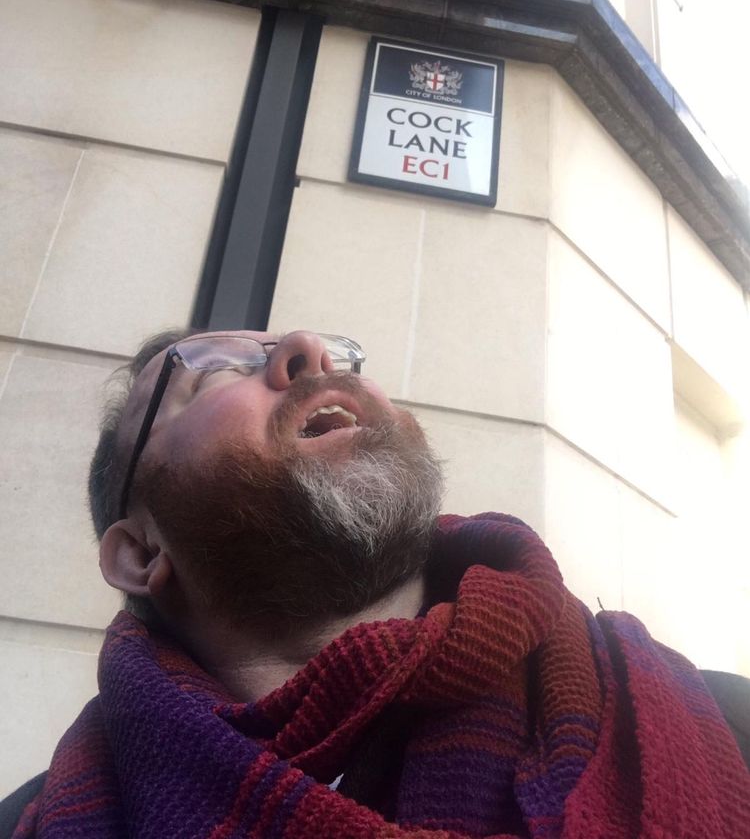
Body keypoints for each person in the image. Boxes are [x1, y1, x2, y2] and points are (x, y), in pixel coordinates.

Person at [2, 327, 750, 839]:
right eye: (211, 373)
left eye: (339, 355)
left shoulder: (727, 725)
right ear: (139, 553)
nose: (310, 349)